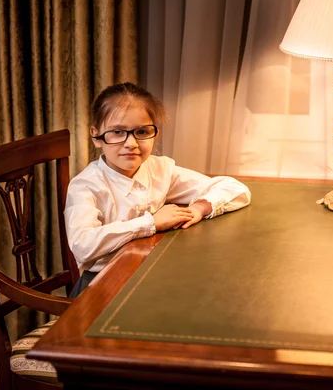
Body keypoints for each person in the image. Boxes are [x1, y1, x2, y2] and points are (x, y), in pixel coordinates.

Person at [65, 82, 251, 297]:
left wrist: (199, 208)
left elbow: (235, 189)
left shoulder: (159, 169)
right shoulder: (86, 185)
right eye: (117, 132)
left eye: (142, 131)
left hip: (150, 277)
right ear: (96, 135)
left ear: (156, 134)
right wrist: (151, 223)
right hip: (101, 285)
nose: (131, 143)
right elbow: (82, 245)